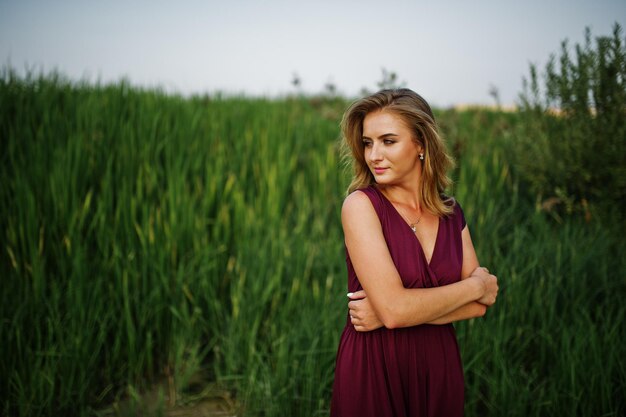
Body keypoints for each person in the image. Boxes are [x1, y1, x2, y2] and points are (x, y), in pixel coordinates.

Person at [330, 88, 499, 417]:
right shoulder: (361, 206)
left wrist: (390, 312)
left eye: (388, 141)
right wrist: (476, 285)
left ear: (421, 144)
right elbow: (397, 310)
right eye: (368, 142)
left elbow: (477, 309)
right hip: (374, 367)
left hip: (438, 367)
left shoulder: (451, 213)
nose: (374, 155)